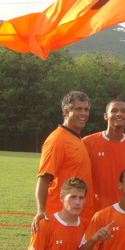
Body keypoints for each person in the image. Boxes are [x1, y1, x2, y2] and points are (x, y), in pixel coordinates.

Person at [33, 91, 94, 231]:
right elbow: (44, 179)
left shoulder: (78, 139)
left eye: (86, 109)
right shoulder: (58, 140)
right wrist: (41, 210)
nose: (83, 113)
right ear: (66, 112)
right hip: (59, 218)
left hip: (76, 217)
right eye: (78, 109)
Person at [83, 99, 125, 211]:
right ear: (105, 116)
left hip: (123, 210)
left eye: (123, 111)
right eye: (114, 111)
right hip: (94, 210)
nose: (119, 114)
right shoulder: (88, 142)